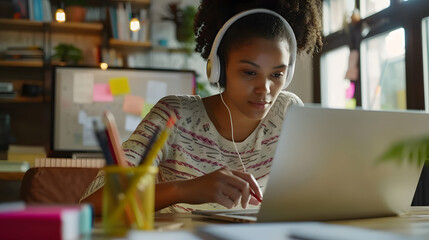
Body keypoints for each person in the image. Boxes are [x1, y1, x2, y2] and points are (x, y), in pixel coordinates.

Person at [81, 0, 322, 215]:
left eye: (277, 74)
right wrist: (186, 189)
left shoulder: (288, 111)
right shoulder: (174, 115)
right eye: (250, 72)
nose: (265, 89)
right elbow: (92, 202)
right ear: (218, 68)